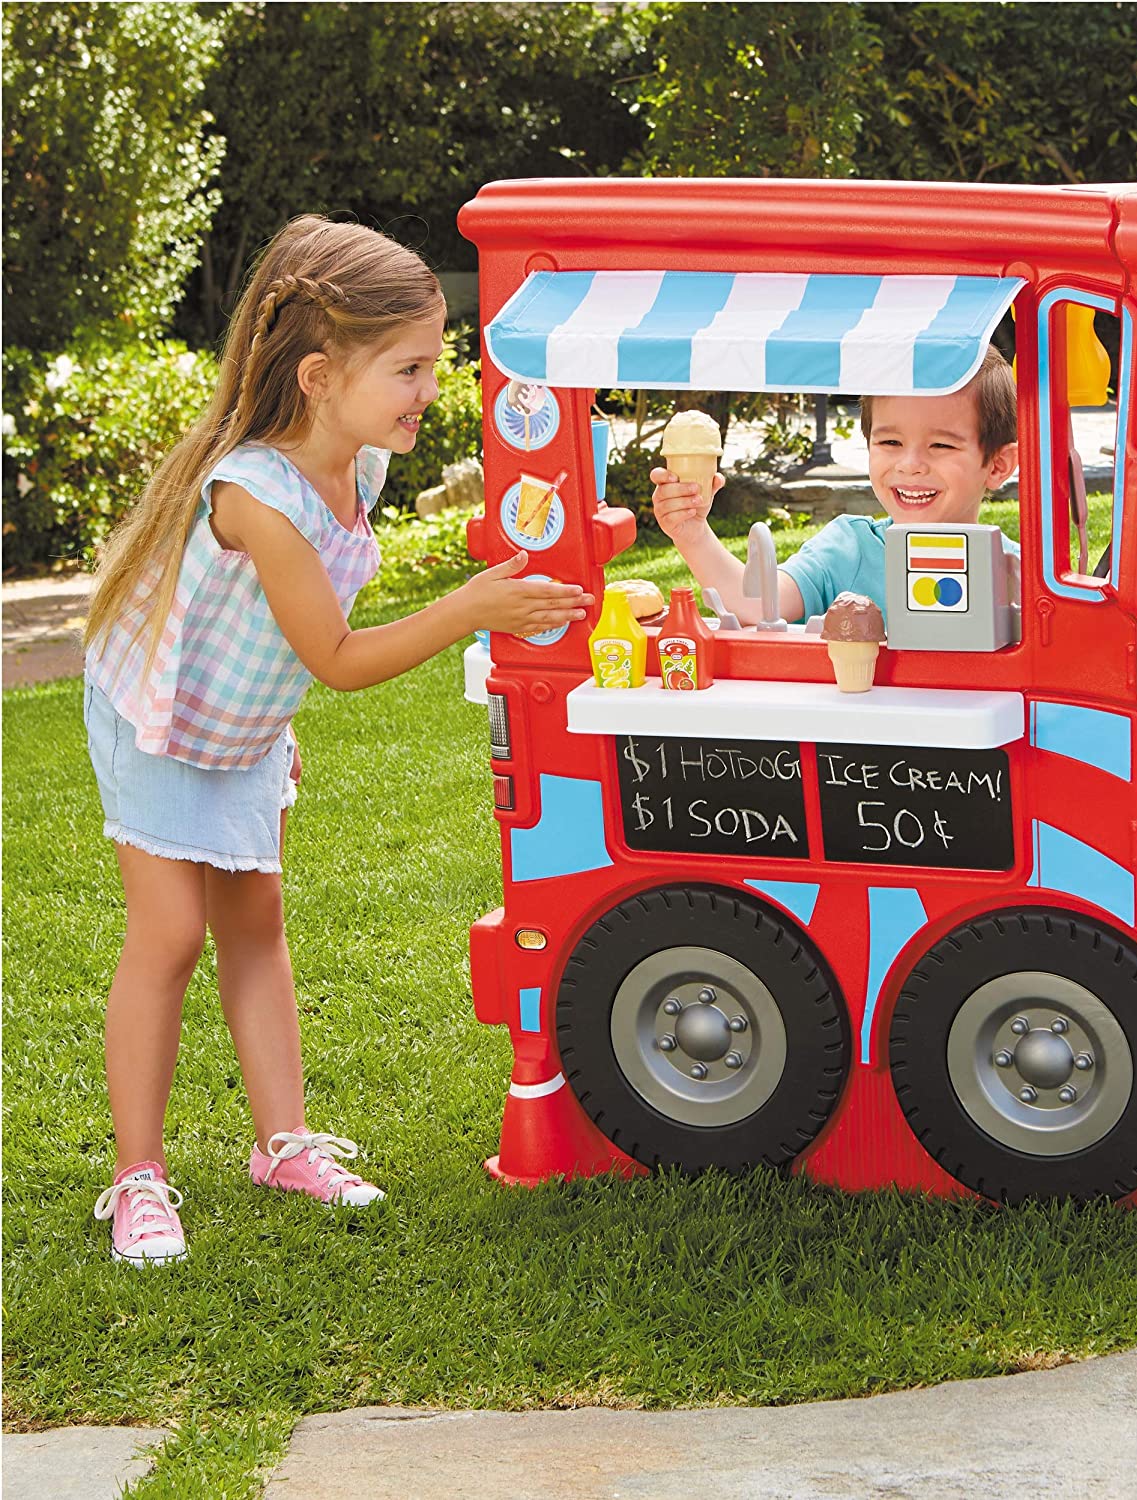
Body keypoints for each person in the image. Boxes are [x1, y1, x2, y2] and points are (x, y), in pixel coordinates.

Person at [82, 216, 592, 1266]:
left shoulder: (354, 469)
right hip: (157, 718)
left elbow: (277, 643)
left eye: (433, 363)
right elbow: (340, 655)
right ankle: (138, 1175)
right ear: (319, 374)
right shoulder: (256, 495)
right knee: (172, 933)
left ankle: (283, 1145)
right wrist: (470, 608)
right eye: (408, 368)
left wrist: (271, 732)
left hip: (239, 721)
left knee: (256, 920)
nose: (429, 390)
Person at [649, 346, 1020, 624]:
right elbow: (758, 607)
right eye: (890, 443)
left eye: (941, 445)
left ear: (998, 465)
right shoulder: (848, 549)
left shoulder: (1017, 572)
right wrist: (693, 535)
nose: (910, 466)